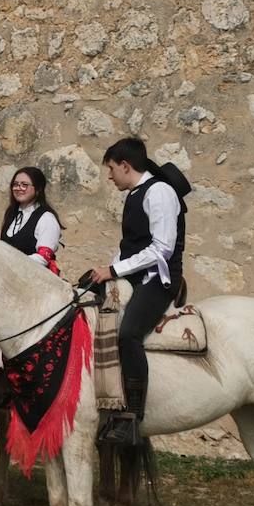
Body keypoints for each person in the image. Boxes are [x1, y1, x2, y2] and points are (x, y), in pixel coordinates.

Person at [86, 137, 187, 444]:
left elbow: (162, 249)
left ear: (126, 166)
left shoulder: (159, 193)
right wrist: (106, 271)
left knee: (128, 334)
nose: (110, 176)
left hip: (159, 280)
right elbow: (131, 247)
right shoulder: (134, 194)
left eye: (112, 169)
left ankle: (131, 417)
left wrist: (115, 271)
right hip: (135, 275)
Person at [0, 166, 62, 273]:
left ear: (38, 189)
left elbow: (43, 258)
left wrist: (10, 264)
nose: (18, 188)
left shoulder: (46, 218)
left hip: (34, 283)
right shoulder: (12, 214)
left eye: (24, 185)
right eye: (15, 184)